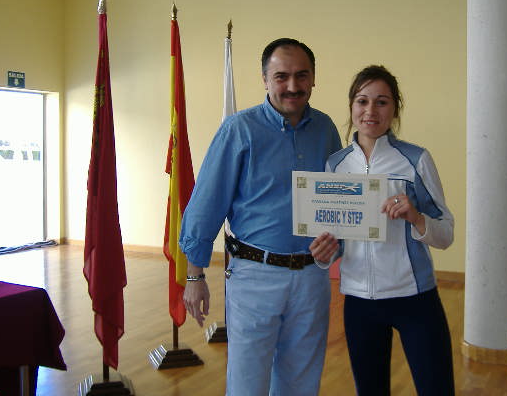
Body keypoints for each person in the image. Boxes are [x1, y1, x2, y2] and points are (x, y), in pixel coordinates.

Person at [179, 38, 342, 395]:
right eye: (281, 76)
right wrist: (194, 275)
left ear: (314, 78)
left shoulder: (327, 130)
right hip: (255, 276)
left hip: (312, 278)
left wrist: (337, 240)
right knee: (248, 380)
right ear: (265, 80)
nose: (293, 86)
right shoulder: (239, 130)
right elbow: (207, 203)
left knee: (302, 379)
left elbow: (338, 200)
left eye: (302, 76)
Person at [310, 65, 455, 396]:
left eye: (381, 102)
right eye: (362, 101)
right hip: (360, 302)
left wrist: (416, 217)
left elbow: (446, 233)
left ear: (395, 109)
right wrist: (323, 254)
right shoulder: (335, 165)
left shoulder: (415, 159)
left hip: (414, 297)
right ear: (351, 106)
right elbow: (334, 236)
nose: (370, 111)